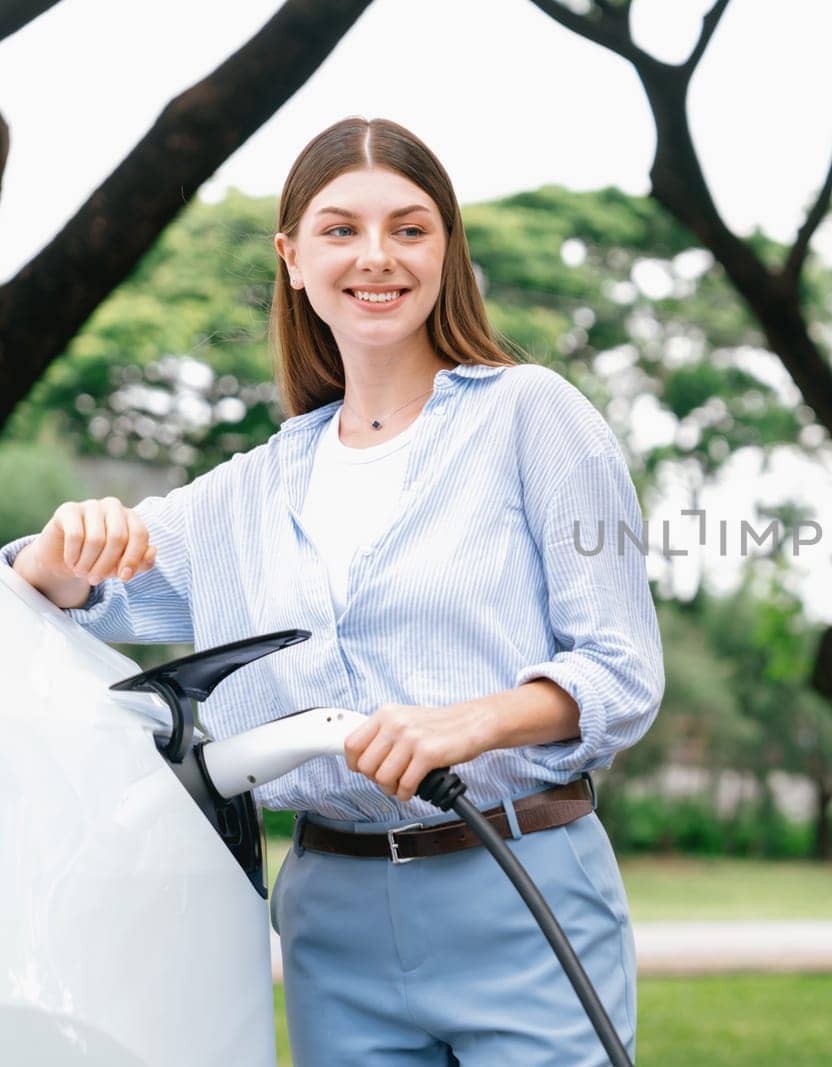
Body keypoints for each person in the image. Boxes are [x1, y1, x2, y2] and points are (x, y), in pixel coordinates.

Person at [3, 116, 664, 1065]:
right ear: (293, 257)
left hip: (520, 882)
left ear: (447, 251)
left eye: (409, 227)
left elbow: (620, 670)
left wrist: (468, 722)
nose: (376, 257)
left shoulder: (533, 416)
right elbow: (64, 593)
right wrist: (64, 549)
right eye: (340, 229)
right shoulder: (253, 487)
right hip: (331, 916)